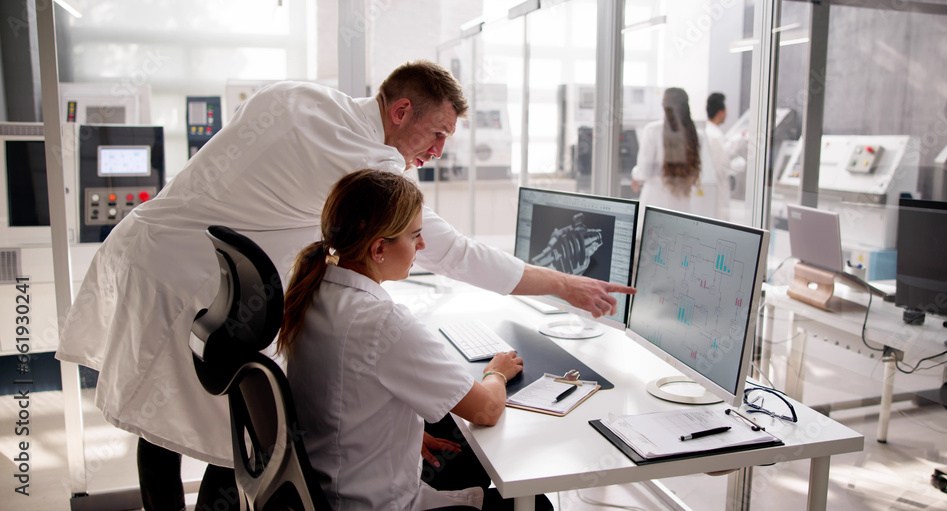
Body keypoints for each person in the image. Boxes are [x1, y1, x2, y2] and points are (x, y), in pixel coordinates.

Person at [55, 60, 632, 510]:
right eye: (436, 135)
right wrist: (562, 284)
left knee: (171, 421)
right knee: (172, 420)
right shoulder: (368, 168)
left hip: (157, 245)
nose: (436, 154)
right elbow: (454, 252)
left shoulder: (300, 95)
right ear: (401, 110)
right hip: (180, 272)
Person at [279, 169, 532, 509]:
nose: (422, 245)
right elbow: (486, 409)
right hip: (376, 502)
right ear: (379, 249)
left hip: (329, 482)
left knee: (458, 445)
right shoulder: (383, 322)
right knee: (534, 502)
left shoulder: (314, 289)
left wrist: (400, 437)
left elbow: (336, 395)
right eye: (415, 236)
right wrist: (496, 372)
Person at [631, 87, 717, 221]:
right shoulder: (696, 135)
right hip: (682, 208)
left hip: (654, 206)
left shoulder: (653, 131)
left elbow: (644, 171)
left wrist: (635, 174)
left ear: (664, 105)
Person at [704, 92, 746, 221]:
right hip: (717, 192)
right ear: (721, 112)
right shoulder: (715, 136)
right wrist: (739, 165)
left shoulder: (708, 131)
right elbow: (722, 167)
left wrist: (738, 139)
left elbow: (722, 153)